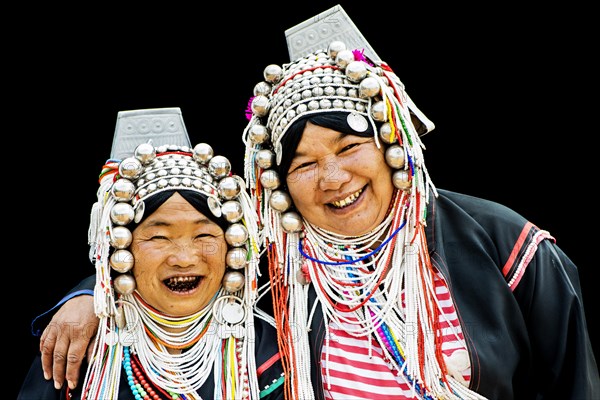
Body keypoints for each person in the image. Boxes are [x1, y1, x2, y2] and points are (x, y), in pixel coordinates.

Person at [31, 6, 600, 400]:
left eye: (350, 147)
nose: (332, 178)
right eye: (302, 164)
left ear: (391, 142)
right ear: (278, 182)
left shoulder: (506, 247)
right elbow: (179, 258)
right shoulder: (274, 269)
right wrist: (88, 297)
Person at [18, 121, 285, 399]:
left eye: (203, 234)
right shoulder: (83, 349)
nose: (184, 258)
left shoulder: (268, 350)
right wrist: (93, 291)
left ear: (232, 243)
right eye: (159, 238)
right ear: (121, 249)